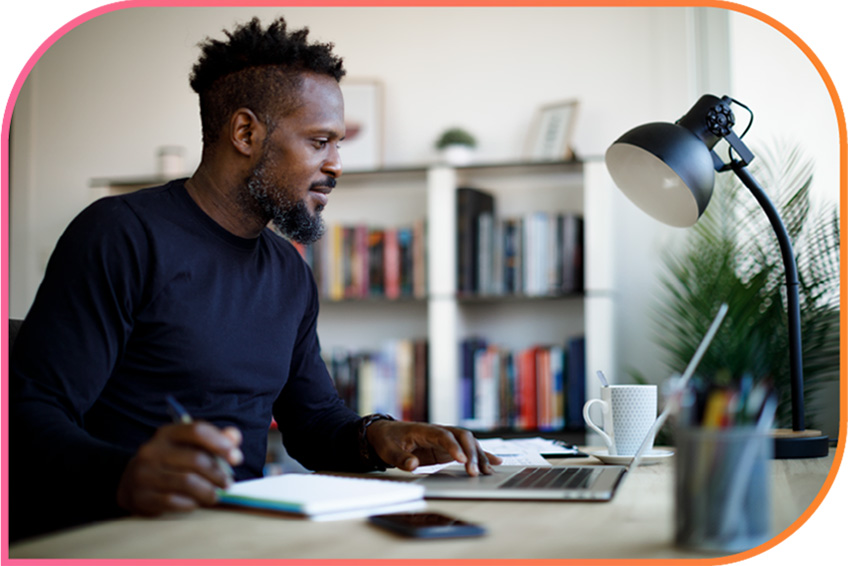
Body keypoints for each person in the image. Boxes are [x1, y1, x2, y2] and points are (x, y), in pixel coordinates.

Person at [9, 16, 500, 542]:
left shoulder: (288, 269)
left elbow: (313, 426)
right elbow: (29, 417)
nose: (336, 164)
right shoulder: (121, 234)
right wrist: (126, 474)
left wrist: (382, 435)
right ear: (246, 133)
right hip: (118, 533)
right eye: (319, 141)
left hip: (235, 534)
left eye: (338, 144)